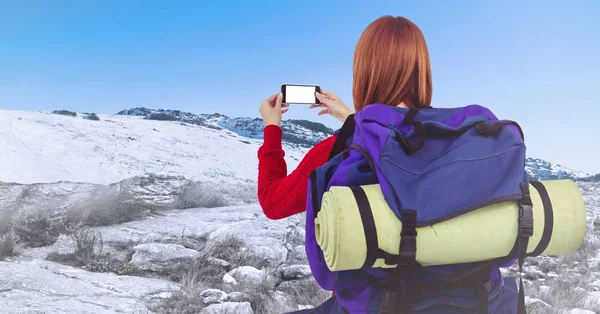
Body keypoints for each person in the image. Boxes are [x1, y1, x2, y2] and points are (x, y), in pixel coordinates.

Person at [258, 15, 519, 314]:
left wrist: (272, 127)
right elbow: (405, 136)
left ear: (364, 74)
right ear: (423, 72)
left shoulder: (338, 151)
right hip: (477, 301)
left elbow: (273, 202)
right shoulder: (463, 144)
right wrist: (355, 118)